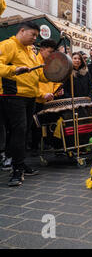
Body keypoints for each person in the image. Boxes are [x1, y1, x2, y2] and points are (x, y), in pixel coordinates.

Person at [0, 21, 48, 186]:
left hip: (30, 96)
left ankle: (20, 163)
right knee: (19, 131)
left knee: (24, 132)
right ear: (22, 31)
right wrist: (14, 70)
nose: (35, 38)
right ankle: (17, 169)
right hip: (14, 95)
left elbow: (38, 75)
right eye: (33, 35)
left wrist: (56, 71)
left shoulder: (30, 51)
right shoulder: (8, 45)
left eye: (36, 36)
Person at [31, 39, 61, 156]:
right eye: (49, 52)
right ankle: (34, 147)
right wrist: (42, 94)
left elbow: (55, 79)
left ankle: (47, 144)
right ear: (42, 50)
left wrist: (56, 90)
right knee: (35, 126)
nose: (51, 55)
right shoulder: (34, 62)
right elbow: (32, 82)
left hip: (50, 99)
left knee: (49, 124)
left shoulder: (50, 63)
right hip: (37, 99)